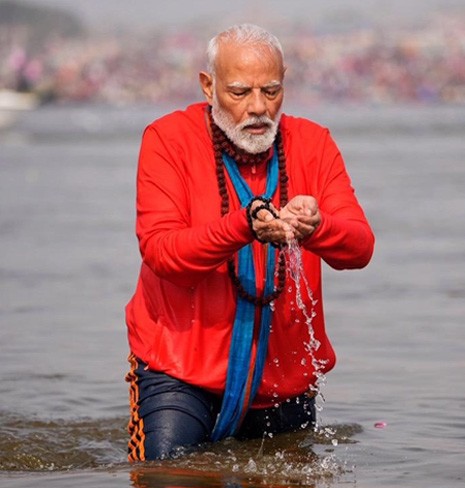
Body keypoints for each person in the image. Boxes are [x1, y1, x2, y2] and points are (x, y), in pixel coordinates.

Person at [125, 23, 375, 461]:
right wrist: (243, 225)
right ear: (209, 86)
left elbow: (360, 248)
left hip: (284, 379)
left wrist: (317, 227)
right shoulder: (167, 139)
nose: (258, 108)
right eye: (239, 93)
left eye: (271, 91)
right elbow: (164, 254)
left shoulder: (314, 143)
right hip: (179, 373)